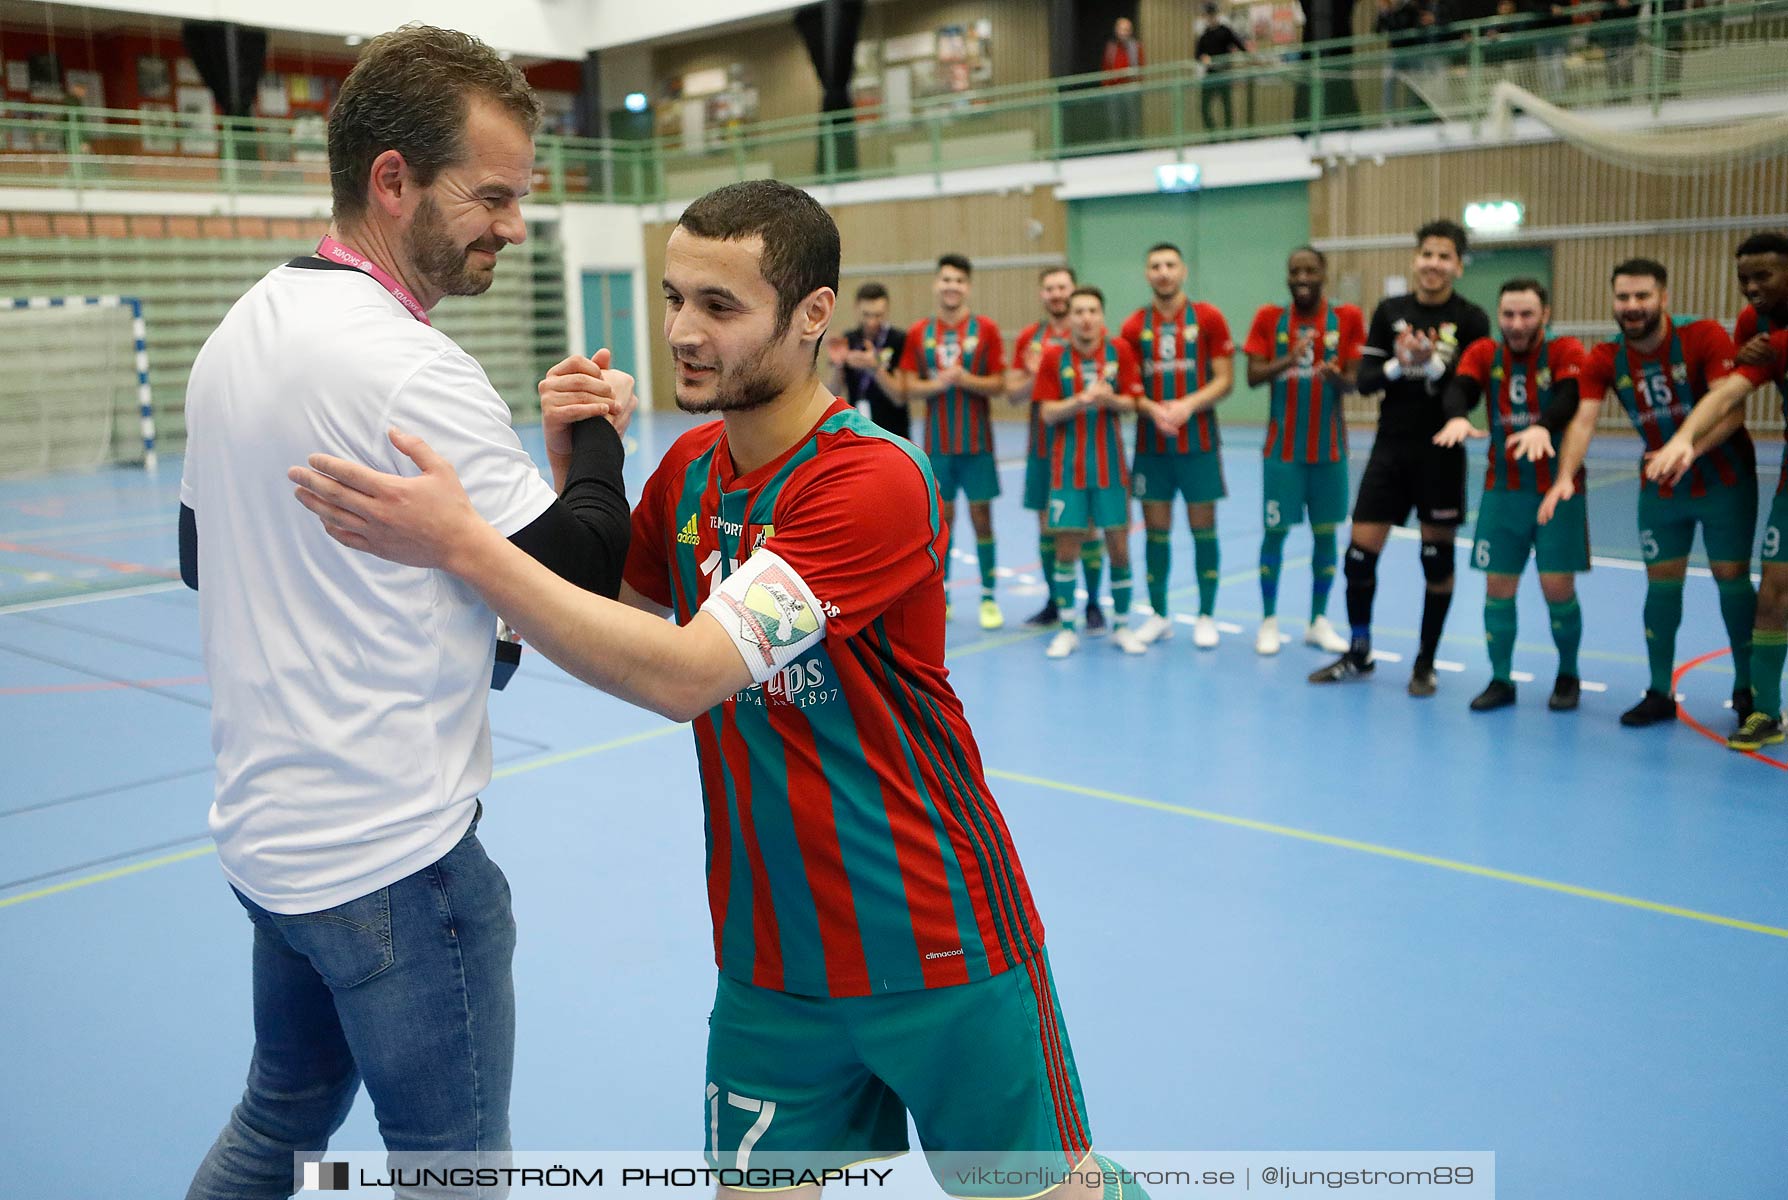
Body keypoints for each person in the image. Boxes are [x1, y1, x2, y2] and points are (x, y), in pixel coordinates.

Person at [290, 178, 1149, 1200]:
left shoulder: (871, 482)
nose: (682, 332)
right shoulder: (693, 469)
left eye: (720, 307)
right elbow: (591, 605)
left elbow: (684, 673)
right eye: (673, 298)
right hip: (770, 959)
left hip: (938, 938)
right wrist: (578, 474)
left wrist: (463, 542)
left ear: (812, 315)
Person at [178, 25, 633, 1199]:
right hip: (395, 861)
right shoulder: (408, 368)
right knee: (451, 1171)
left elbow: (199, 553)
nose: (513, 226)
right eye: (490, 196)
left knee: (276, 1123)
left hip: (270, 848)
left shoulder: (241, 334)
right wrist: (595, 438)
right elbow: (580, 575)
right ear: (395, 180)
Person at [1532, 257, 1757, 730]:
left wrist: (1686, 450)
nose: (1632, 307)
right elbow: (1584, 421)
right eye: (1623, 298)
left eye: (1642, 297)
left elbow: (1734, 413)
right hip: (1660, 485)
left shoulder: (1703, 337)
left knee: (1731, 580)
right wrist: (1564, 477)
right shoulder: (1606, 358)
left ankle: (1747, 687)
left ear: (1664, 298)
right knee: (1661, 585)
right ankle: (1659, 692)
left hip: (1724, 481)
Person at [1310, 219, 1489, 695]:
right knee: (1358, 557)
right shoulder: (1391, 311)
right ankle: (1359, 650)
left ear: (1458, 265)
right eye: (1427, 254)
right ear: (1415, 259)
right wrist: (1398, 361)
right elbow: (1365, 381)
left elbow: (1466, 391)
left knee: (1437, 561)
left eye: (1444, 256)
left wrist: (1430, 362)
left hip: (1441, 454)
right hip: (1390, 448)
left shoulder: (1473, 320)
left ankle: (1425, 663)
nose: (1433, 263)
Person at [1635, 234, 1788, 750]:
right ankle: (1764, 710)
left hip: (1729, 483)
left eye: (1763, 275)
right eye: (1744, 277)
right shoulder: (1753, 326)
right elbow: (1730, 390)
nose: (1751, 288)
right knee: (1775, 587)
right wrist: (1683, 439)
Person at [1432, 279, 1589, 712]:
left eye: (1526, 315)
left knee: (1557, 587)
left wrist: (1543, 424)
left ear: (1545, 314)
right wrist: (1458, 415)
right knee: (1497, 589)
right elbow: (1459, 387)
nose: (1516, 324)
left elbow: (1571, 395)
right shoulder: (1484, 352)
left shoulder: (1564, 351)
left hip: (1557, 490)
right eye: (1508, 315)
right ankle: (1501, 680)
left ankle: (1568, 674)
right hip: (1502, 491)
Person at [1242, 246, 1364, 657]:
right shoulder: (1269, 319)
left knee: (1326, 535)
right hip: (1282, 453)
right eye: (1295, 270)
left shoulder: (1346, 318)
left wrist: (1336, 377)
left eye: (1310, 270)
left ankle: (1317, 621)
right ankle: (1269, 621)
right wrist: (1288, 359)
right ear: (1288, 276)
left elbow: (1355, 381)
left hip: (1330, 451)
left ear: (1324, 273)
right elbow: (1253, 376)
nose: (1303, 277)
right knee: (1274, 533)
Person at [1118, 242, 1235, 649]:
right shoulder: (1133, 327)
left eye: (1170, 265)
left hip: (1199, 444)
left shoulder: (1208, 318)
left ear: (1183, 270)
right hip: (1153, 447)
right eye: (1155, 266)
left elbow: (1225, 379)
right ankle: (1159, 615)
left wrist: (1186, 405)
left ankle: (1205, 614)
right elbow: (1129, 389)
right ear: (1147, 274)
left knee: (1204, 530)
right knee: (1156, 533)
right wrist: (1154, 409)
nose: (1163, 272)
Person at [1032, 286, 1147, 659]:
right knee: (1066, 548)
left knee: (1119, 547)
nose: (1085, 317)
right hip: (1068, 470)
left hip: (1112, 469)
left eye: (1092, 310)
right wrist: (1080, 400)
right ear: (1071, 318)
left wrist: (1109, 399)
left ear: (1102, 316)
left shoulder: (1121, 352)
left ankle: (1123, 627)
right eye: (1079, 311)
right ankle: (1067, 628)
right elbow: (1047, 412)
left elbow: (1132, 401)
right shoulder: (1053, 357)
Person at [898, 254, 1008, 630]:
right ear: (936, 284)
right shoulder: (919, 333)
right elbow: (907, 386)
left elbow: (999, 384)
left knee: (983, 520)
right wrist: (939, 384)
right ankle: (940, 596)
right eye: (946, 280)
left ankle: (989, 598)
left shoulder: (986, 329)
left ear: (968, 287)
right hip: (937, 447)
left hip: (978, 446)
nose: (952, 286)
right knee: (941, 523)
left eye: (959, 281)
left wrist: (964, 379)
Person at [1009, 265, 1105, 631]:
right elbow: (1014, 395)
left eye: (1062, 287)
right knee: (1048, 527)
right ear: (1042, 295)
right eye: (1049, 288)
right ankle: (1055, 602)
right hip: (1044, 448)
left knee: (1090, 527)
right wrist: (1034, 375)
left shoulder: (1093, 334)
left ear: (1074, 290)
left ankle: (1094, 605)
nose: (1056, 294)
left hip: (1086, 447)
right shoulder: (1031, 339)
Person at [826, 281, 909, 439]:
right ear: (857, 309)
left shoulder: (898, 339)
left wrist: (875, 367)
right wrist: (838, 364)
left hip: (893, 429)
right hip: (857, 428)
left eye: (878, 315)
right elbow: (832, 394)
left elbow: (899, 397)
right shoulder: (848, 340)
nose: (872, 322)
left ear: (887, 310)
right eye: (866, 315)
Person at [1195, 2, 1250, 132]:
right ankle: (1213, 134)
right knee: (1204, 106)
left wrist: (1250, 56)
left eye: (1212, 15)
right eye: (1208, 15)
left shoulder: (1225, 31)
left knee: (1226, 104)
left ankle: (1228, 133)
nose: (1210, 18)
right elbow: (1197, 54)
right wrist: (1203, 57)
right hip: (1210, 73)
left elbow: (1239, 44)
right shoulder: (1204, 35)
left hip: (1224, 72)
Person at [1102, 16, 1145, 142]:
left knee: (1133, 119)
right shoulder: (1111, 48)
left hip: (1131, 87)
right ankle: (1116, 146)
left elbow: (1141, 67)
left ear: (1130, 31)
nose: (1123, 32)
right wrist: (1107, 87)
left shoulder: (1136, 47)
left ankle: (1134, 144)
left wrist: (1138, 83)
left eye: (1126, 29)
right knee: (1114, 120)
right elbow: (1106, 67)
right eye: (1121, 29)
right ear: (1116, 30)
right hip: (1114, 90)